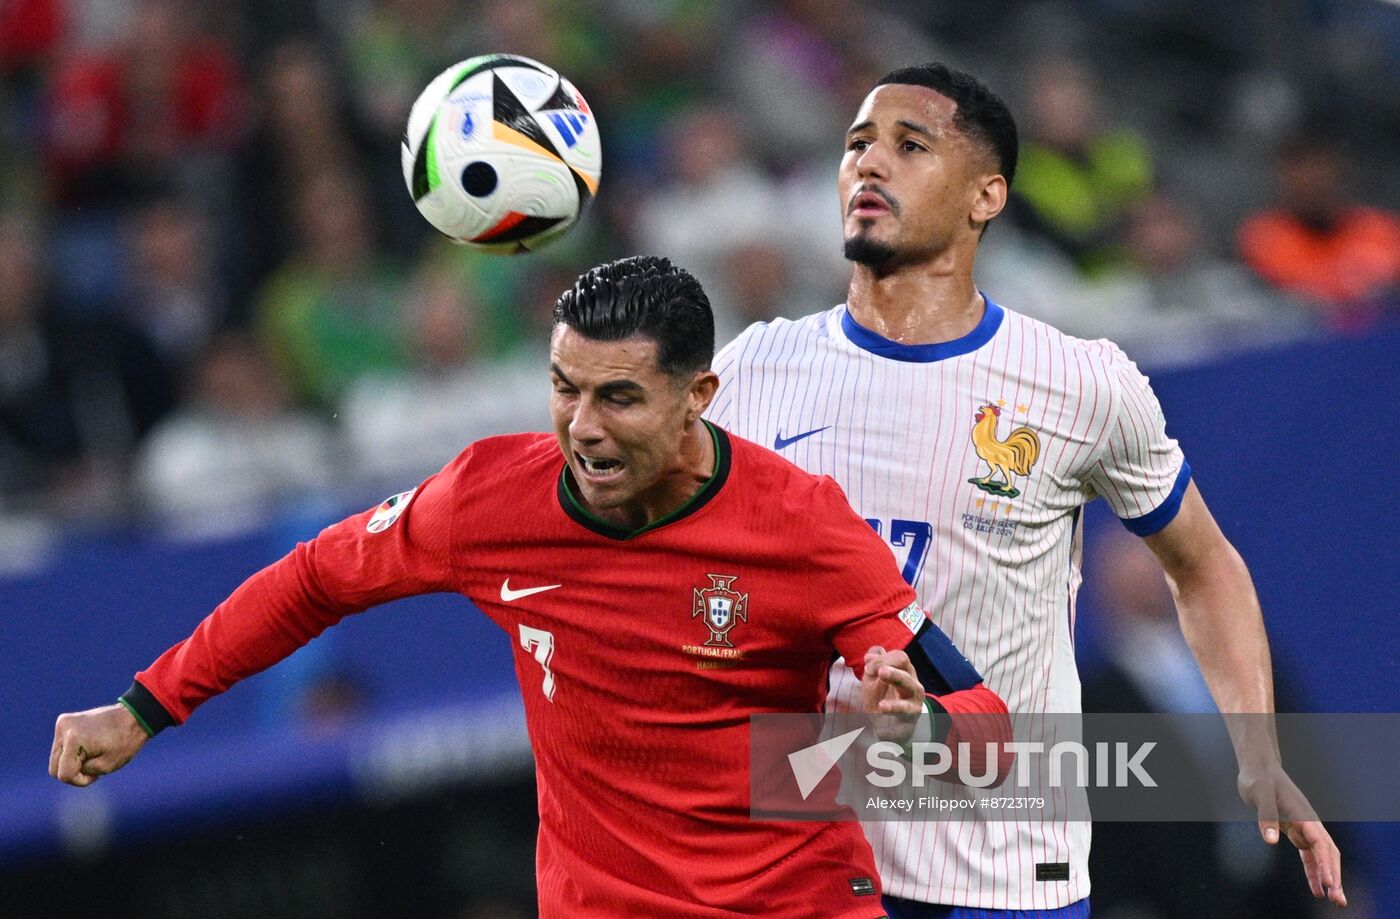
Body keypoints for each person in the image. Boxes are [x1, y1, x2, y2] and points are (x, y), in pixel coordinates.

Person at [50, 255, 1010, 919]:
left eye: (620, 397)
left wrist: (921, 731)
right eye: (565, 388)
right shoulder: (487, 497)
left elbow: (992, 735)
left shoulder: (803, 525)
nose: (583, 427)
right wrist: (146, 705)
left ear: (699, 398)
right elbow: (313, 578)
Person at [708, 64, 1346, 917]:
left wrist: (1258, 751)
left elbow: (1203, 564)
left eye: (909, 145)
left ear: (986, 196)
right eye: (857, 144)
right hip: (815, 858)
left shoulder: (1078, 382)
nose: (869, 163)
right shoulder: (754, 370)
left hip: (1006, 872)